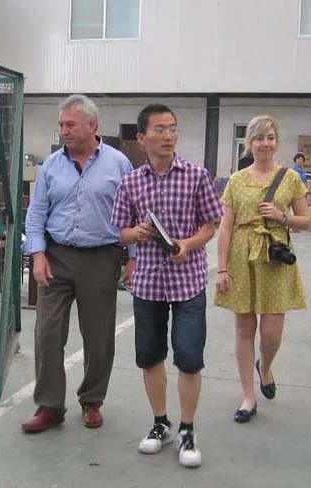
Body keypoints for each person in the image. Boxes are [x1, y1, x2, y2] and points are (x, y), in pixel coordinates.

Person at [111, 104, 222, 469]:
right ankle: (161, 423)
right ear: (142, 137)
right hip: (147, 283)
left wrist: (187, 244)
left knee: (189, 358)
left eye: (172, 128)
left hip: (187, 282)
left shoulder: (196, 176)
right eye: (159, 129)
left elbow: (211, 224)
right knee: (150, 356)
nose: (167, 136)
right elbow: (120, 231)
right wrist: (137, 233)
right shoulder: (130, 182)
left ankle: (188, 430)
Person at [21, 94, 135, 433]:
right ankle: (50, 406)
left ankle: (92, 401)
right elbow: (36, 214)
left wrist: (133, 258)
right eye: (61, 125)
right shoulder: (51, 166)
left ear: (92, 125)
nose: (64, 131)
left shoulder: (118, 164)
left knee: (98, 336)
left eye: (70, 124)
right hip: (56, 256)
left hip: (101, 257)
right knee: (47, 332)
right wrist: (37, 254)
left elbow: (133, 215)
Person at [215, 115, 311, 423]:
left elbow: (306, 221)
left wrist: (283, 217)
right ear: (249, 143)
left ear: (276, 142)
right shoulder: (236, 180)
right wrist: (221, 269)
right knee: (244, 329)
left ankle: (265, 366)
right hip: (241, 257)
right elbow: (225, 227)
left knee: (272, 333)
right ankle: (248, 396)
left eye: (270, 137)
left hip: (274, 257)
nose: (265, 143)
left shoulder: (290, 178)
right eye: (259, 138)